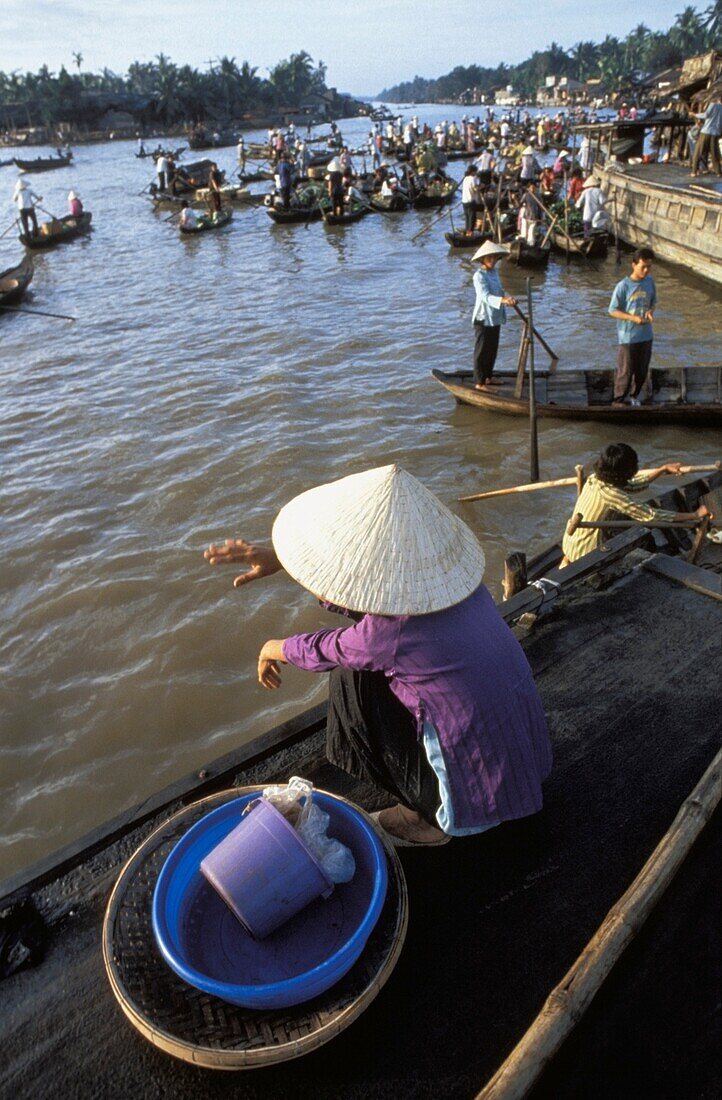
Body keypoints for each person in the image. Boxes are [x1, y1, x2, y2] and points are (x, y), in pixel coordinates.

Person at [204, 464, 552, 847]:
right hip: (523, 767)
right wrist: (282, 561)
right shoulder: (461, 590)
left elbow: (331, 648)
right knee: (367, 667)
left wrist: (274, 648)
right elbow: (369, 605)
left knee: (348, 676)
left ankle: (422, 816)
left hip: (476, 801)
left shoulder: (391, 632)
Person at [560, 445, 711, 565]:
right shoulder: (613, 495)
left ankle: (567, 560)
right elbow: (651, 516)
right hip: (584, 551)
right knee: (645, 539)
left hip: (569, 542)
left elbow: (633, 486)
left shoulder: (595, 479)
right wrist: (694, 515)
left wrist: (662, 469)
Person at [609, 247, 657, 406]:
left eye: (649, 267)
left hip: (646, 335)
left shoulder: (650, 282)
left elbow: (653, 302)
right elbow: (612, 310)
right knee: (626, 371)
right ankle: (619, 400)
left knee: (642, 371)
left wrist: (650, 312)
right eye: (643, 266)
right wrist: (632, 318)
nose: (646, 270)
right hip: (628, 336)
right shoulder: (623, 286)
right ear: (633, 265)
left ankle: (634, 396)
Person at [471, 240, 517, 390]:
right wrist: (503, 300)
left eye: (494, 257)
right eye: (488, 257)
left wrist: (508, 298)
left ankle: (488, 377)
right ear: (482, 259)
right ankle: (479, 382)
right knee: (482, 351)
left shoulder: (494, 273)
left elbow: (499, 291)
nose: (492, 260)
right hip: (483, 317)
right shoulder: (479, 276)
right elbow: (484, 296)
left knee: (492, 349)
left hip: (495, 316)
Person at [690, 96, 722, 177]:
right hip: (716, 133)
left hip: (706, 132)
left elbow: (706, 115)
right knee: (715, 154)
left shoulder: (713, 104)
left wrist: (694, 114)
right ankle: (718, 172)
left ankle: (694, 172)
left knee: (698, 152)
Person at [519, 180, 542, 246]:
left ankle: (530, 245)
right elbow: (520, 204)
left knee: (531, 233)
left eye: (534, 188)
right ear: (529, 188)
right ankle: (523, 244)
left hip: (534, 217)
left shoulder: (538, 196)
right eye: (531, 188)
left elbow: (540, 208)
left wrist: (540, 217)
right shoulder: (526, 195)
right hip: (526, 216)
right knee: (524, 232)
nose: (532, 189)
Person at [461, 164, 480, 235]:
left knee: (467, 217)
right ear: (473, 172)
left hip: (464, 201)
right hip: (470, 201)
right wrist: (481, 187)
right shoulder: (473, 178)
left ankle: (467, 231)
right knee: (472, 217)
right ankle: (470, 232)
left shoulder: (465, 178)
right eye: (475, 171)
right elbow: (475, 189)